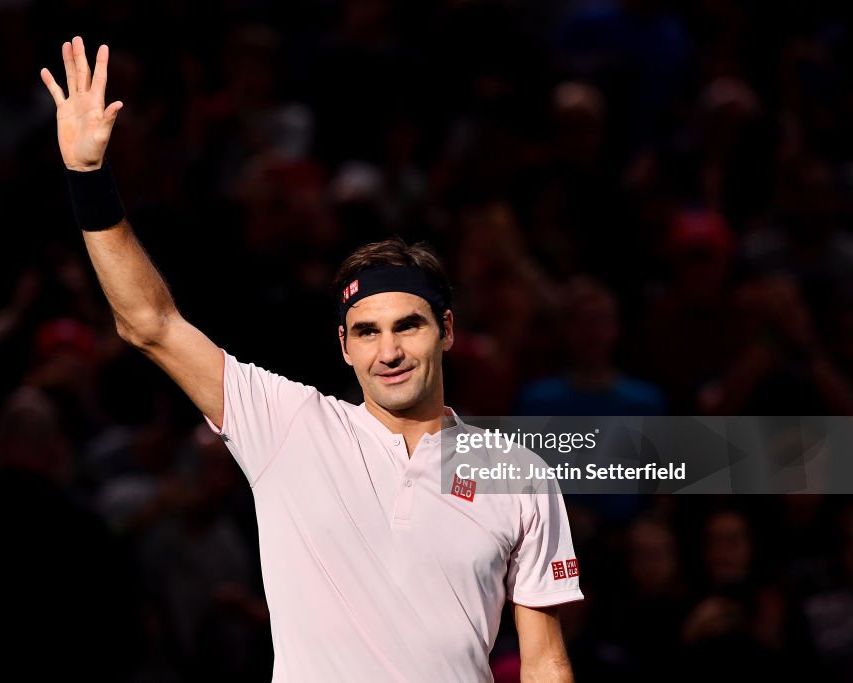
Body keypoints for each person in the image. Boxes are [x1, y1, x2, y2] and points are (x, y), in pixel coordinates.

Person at [40, 36, 582, 682]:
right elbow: (149, 323)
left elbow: (545, 660)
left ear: (446, 331)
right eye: (368, 331)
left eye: (407, 325)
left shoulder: (516, 473)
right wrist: (88, 180)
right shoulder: (290, 424)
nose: (389, 350)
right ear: (345, 347)